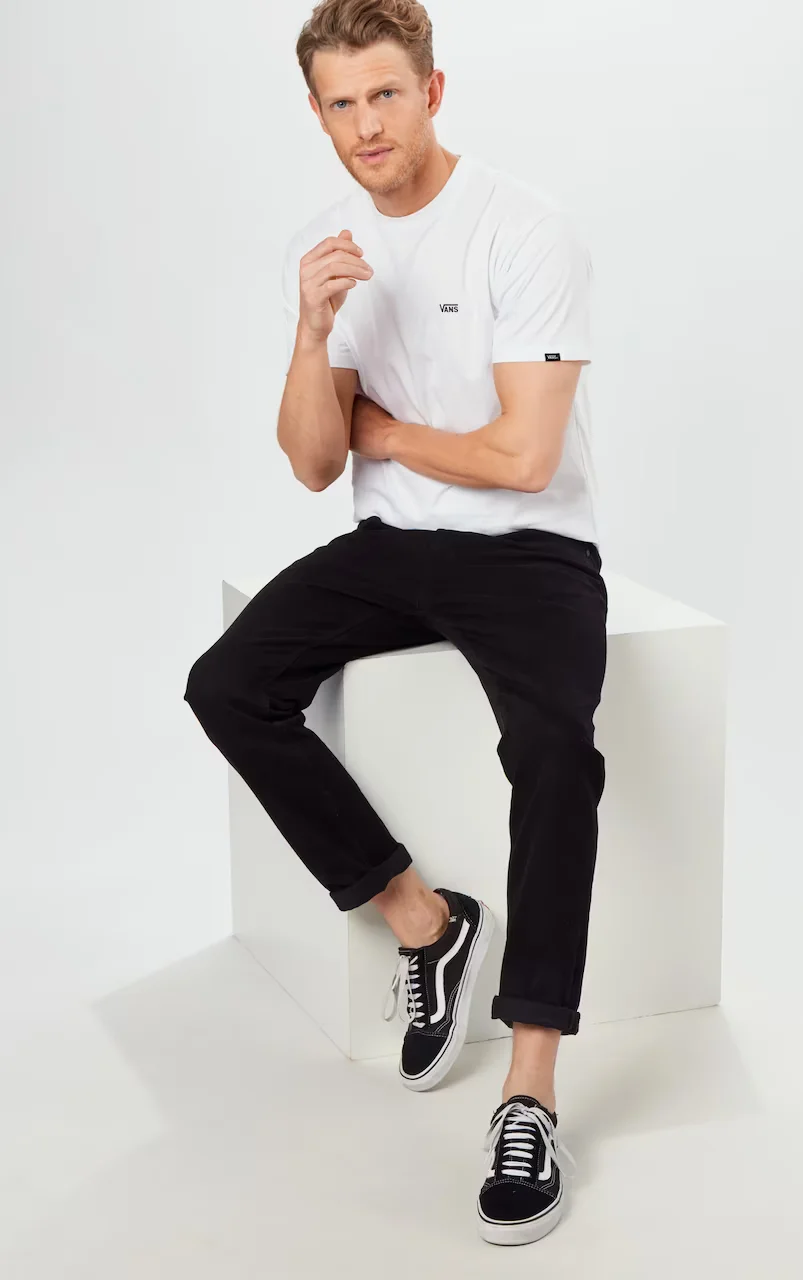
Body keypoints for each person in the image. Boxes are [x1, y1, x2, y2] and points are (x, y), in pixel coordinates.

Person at [184, 0, 606, 1247]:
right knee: (227, 684)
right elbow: (317, 463)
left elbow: (526, 458)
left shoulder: (524, 228)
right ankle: (427, 920)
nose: (366, 124)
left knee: (554, 751)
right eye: (341, 104)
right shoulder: (325, 244)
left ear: (432, 91)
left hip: (532, 550)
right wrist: (312, 332)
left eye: (385, 94)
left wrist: (392, 433)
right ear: (317, 114)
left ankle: (529, 1089)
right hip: (391, 546)